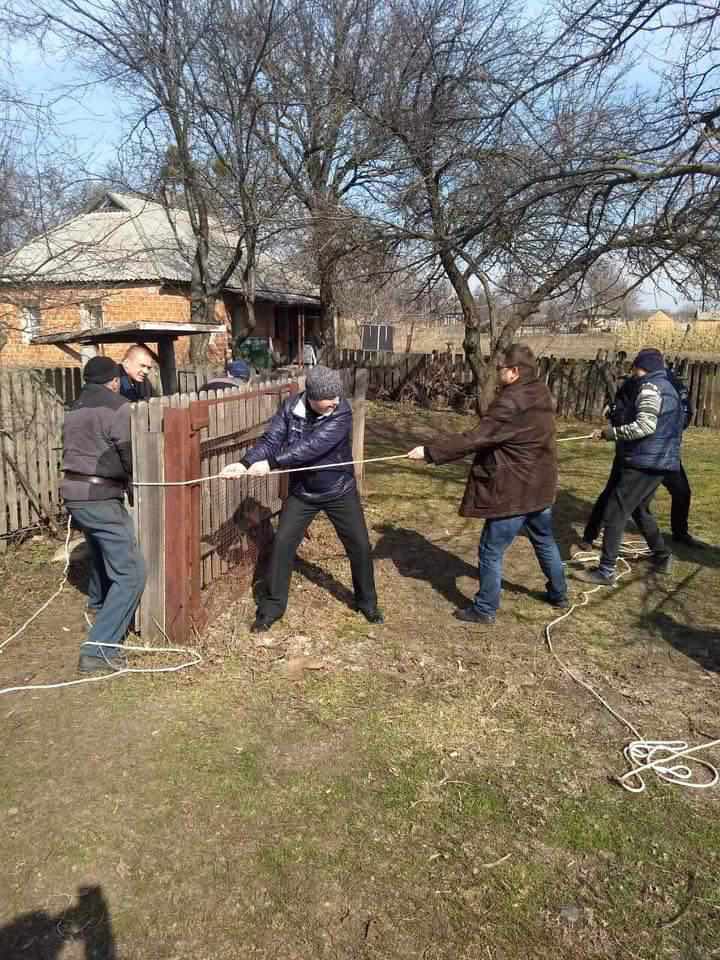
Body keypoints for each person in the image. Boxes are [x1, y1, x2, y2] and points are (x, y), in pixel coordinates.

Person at [407, 343, 568, 624]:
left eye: (501, 368)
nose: (497, 371)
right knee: (544, 539)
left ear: (515, 372)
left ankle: (484, 609)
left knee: (491, 550)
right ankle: (559, 593)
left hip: (515, 490)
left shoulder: (511, 401)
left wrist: (431, 452)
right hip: (541, 486)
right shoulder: (541, 391)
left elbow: (476, 438)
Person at [220, 365, 382, 632]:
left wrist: (272, 463)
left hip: (339, 489)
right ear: (312, 396)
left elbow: (312, 448)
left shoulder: (341, 413)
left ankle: (367, 602)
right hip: (303, 493)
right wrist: (245, 463)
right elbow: (272, 440)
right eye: (329, 398)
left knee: (360, 546)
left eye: (337, 397)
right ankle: (271, 607)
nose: (335, 402)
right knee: (282, 543)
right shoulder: (290, 408)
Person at [60, 357, 146, 672]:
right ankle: (98, 650)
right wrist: (138, 481)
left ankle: (98, 605)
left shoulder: (73, 408)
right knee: (132, 572)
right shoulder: (119, 407)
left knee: (99, 550)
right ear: (113, 380)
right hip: (99, 496)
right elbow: (128, 455)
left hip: (72, 494)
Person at [575, 348, 684, 585]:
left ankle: (605, 571)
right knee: (640, 509)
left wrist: (610, 433)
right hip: (663, 461)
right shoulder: (670, 387)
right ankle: (663, 555)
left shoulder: (650, 387)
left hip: (645, 461)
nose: (632, 373)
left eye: (634, 368)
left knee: (615, 511)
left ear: (640, 367)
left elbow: (645, 426)